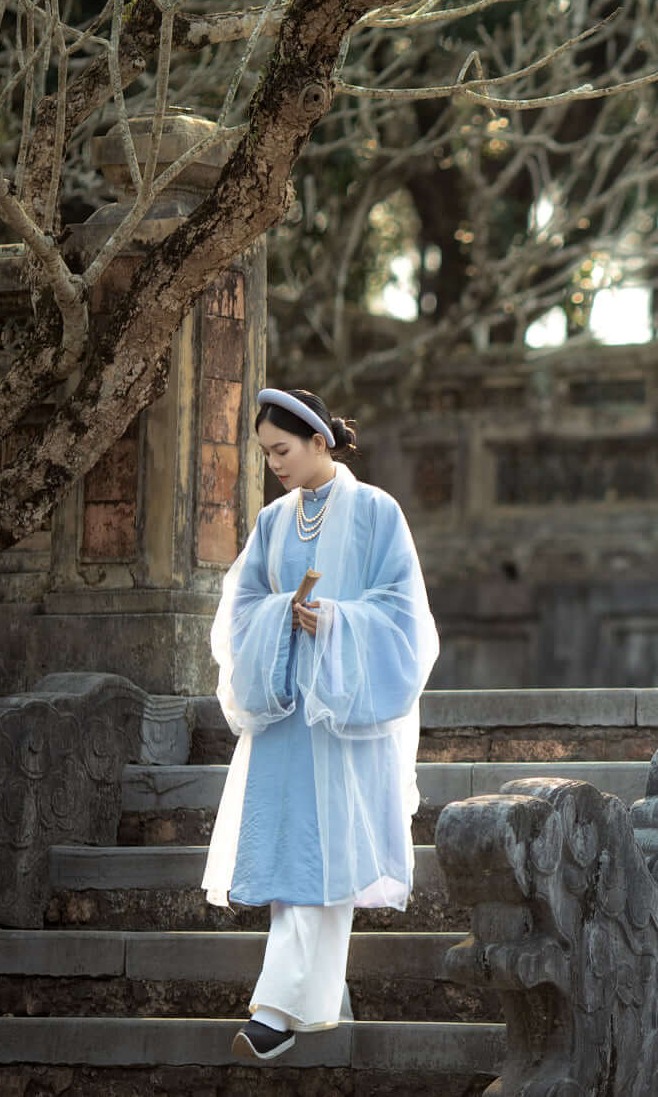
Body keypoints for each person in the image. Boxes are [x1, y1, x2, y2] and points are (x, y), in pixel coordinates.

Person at [201, 387, 439, 1061]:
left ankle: (277, 1008)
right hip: (284, 710)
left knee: (324, 858)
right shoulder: (273, 522)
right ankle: (320, 996)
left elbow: (405, 613)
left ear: (318, 441)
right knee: (295, 860)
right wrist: (283, 617)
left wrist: (332, 619)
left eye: (282, 449)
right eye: (265, 453)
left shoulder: (375, 511)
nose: (273, 462)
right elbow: (241, 610)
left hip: (347, 712)